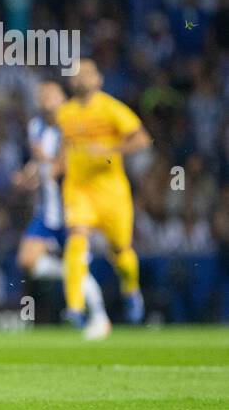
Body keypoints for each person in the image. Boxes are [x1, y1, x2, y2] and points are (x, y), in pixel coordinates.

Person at [55, 59, 152, 327]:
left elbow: (142, 139)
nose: (80, 78)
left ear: (98, 80)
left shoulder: (111, 108)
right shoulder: (65, 114)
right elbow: (65, 149)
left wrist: (110, 151)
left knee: (120, 251)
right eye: (76, 74)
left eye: (86, 73)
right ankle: (74, 307)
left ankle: (131, 290)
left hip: (111, 192)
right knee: (77, 238)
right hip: (78, 189)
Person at [13, 79, 109, 338]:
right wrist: (26, 177)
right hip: (47, 210)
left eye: (51, 95)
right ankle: (70, 272)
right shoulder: (35, 127)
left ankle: (100, 316)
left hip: (73, 207)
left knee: (77, 263)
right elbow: (39, 167)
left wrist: (45, 160)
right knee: (27, 260)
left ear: (63, 100)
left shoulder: (74, 126)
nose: (45, 99)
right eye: (42, 95)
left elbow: (63, 167)